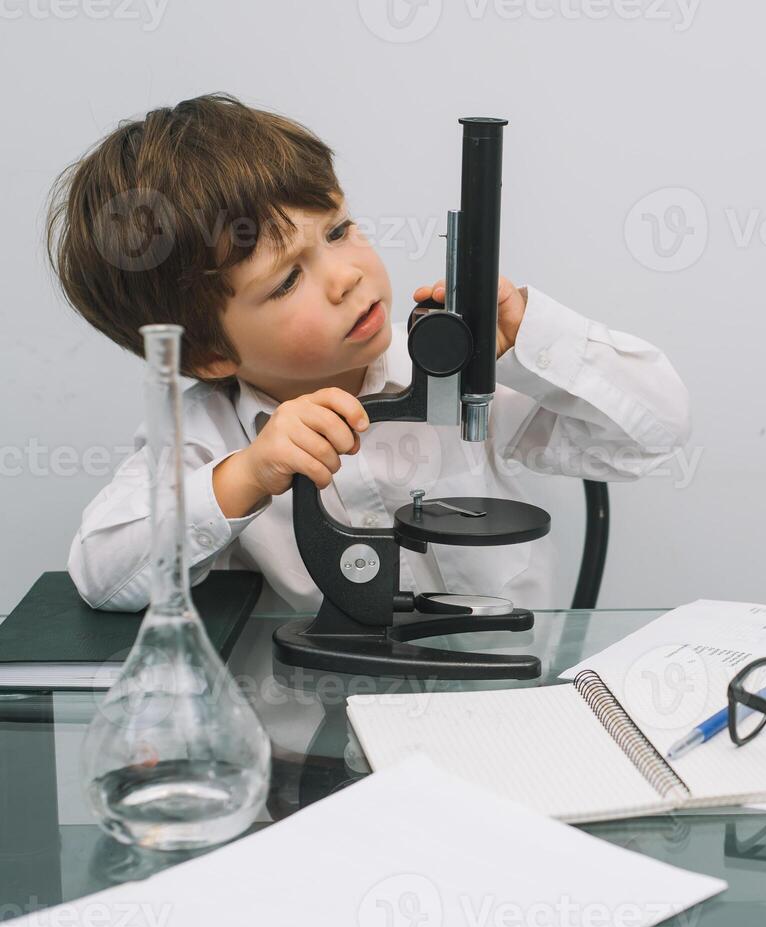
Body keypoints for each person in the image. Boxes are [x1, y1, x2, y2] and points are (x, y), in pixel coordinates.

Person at [48, 93, 691, 613]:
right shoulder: (202, 435)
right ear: (212, 353)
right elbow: (101, 575)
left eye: (338, 230)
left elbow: (657, 432)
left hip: (493, 702)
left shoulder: (453, 370)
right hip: (309, 727)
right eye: (288, 280)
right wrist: (245, 477)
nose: (346, 277)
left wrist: (528, 338)